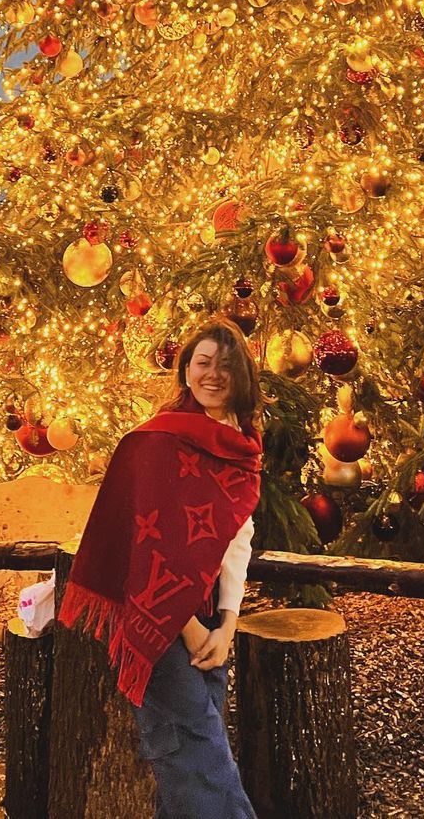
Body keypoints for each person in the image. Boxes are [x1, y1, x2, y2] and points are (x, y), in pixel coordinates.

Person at [58, 318, 262, 819]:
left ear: (243, 376)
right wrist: (188, 629)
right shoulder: (153, 442)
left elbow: (237, 538)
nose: (213, 375)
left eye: (226, 365)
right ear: (186, 370)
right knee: (204, 769)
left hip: (211, 620)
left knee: (187, 773)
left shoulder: (241, 444)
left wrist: (228, 623)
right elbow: (137, 548)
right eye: (203, 363)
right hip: (159, 626)